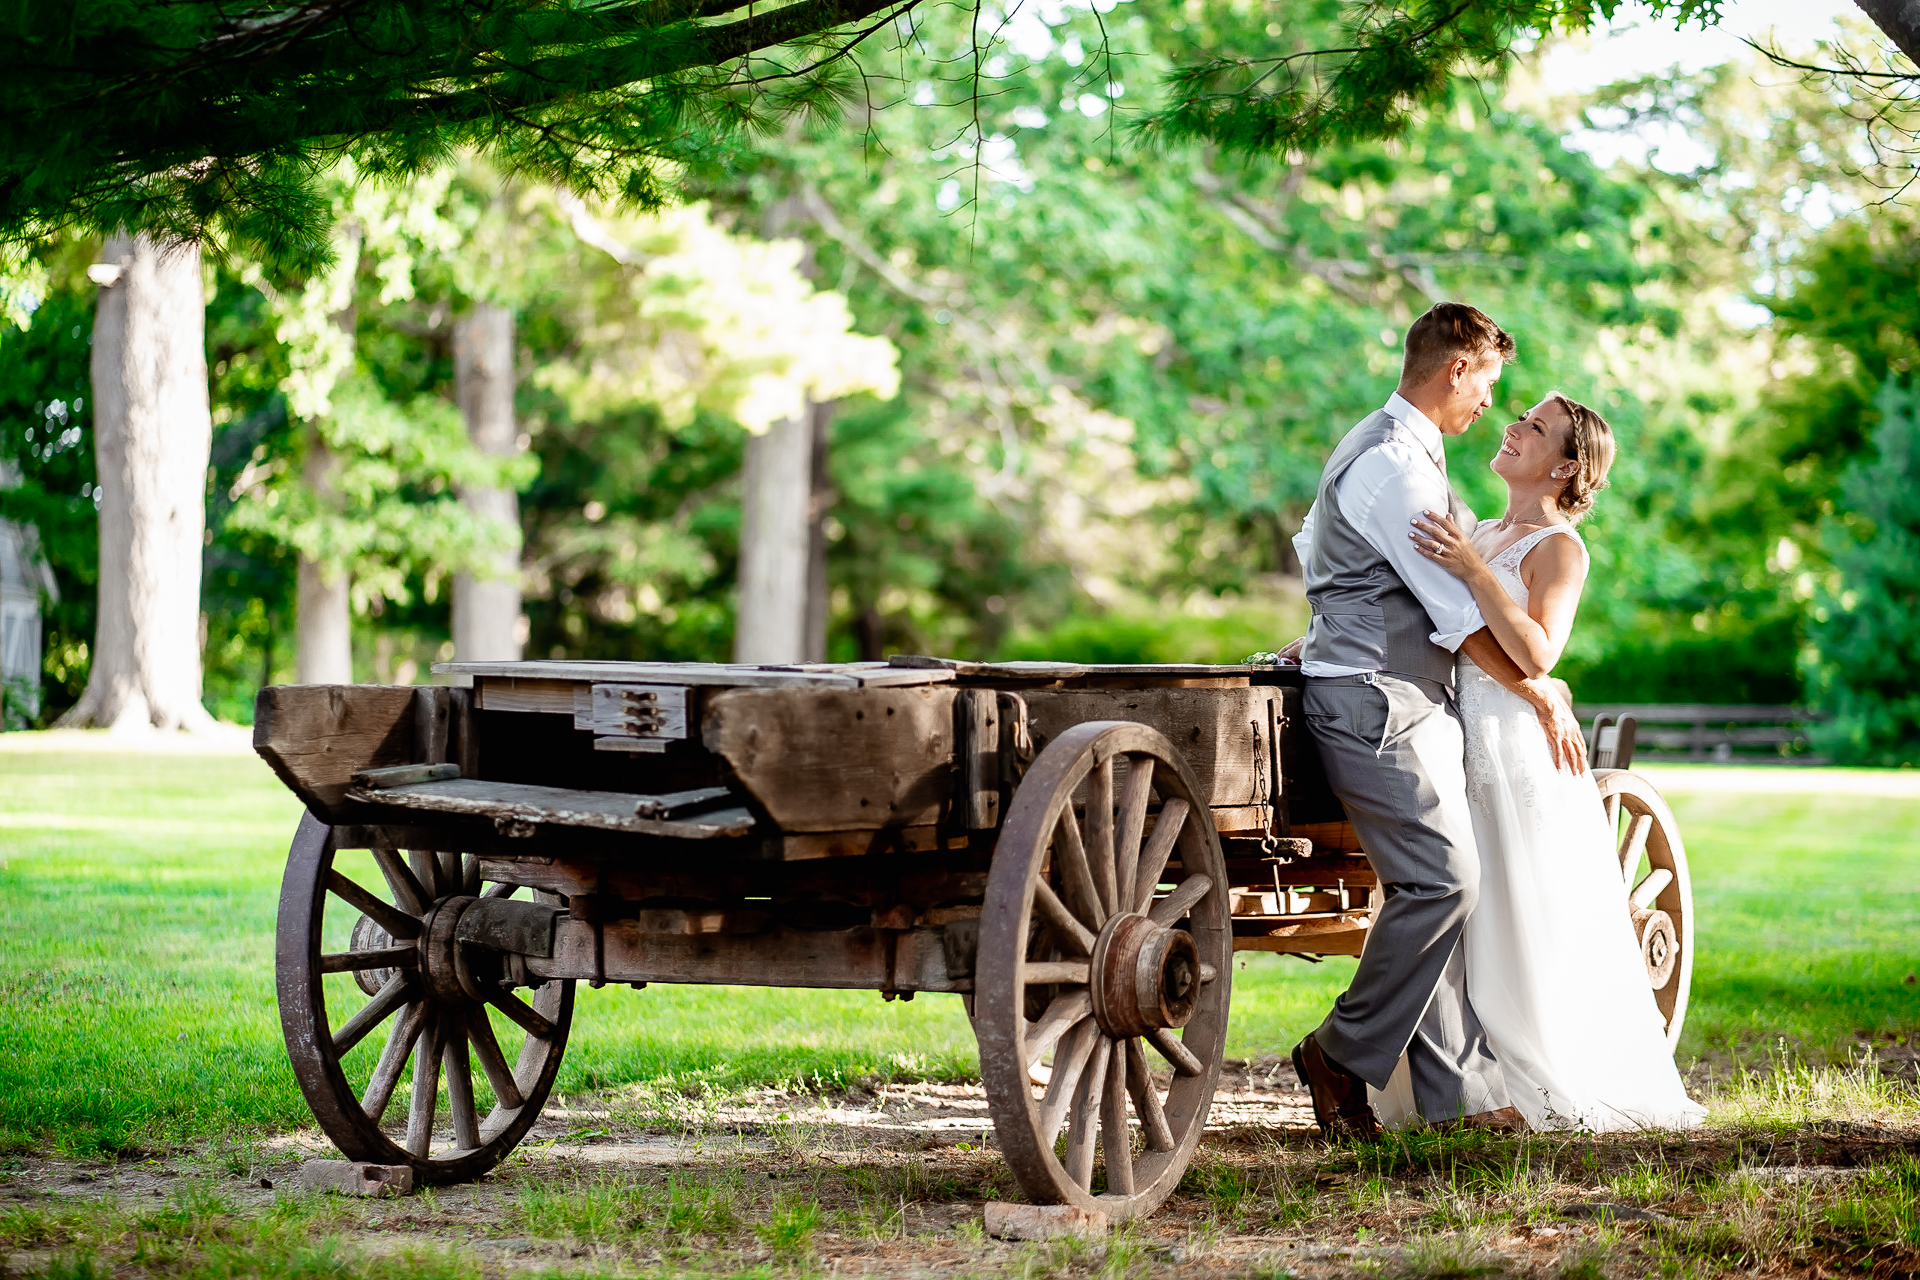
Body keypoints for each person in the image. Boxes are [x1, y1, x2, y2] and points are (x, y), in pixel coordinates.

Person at [1279, 302, 1588, 1138]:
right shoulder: (1394, 466)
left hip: (1402, 696)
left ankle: (1452, 1102)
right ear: (1459, 369)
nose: (1493, 401)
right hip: (1377, 699)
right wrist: (1534, 689)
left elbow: (1318, 553)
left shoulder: (1406, 452)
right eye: (1490, 381)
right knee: (1444, 881)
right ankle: (1338, 1053)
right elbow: (1454, 614)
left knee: (1440, 889)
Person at [1390, 394, 1707, 1131]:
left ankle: (1523, 1077)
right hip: (1454, 728)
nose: (1513, 427)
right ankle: (1458, 1080)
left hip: (1510, 743)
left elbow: (1539, 650)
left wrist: (1474, 570)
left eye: (1533, 427)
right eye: (1520, 419)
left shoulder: (1558, 546)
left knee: (1513, 902)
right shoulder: (1485, 527)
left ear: (1566, 466)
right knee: (1460, 899)